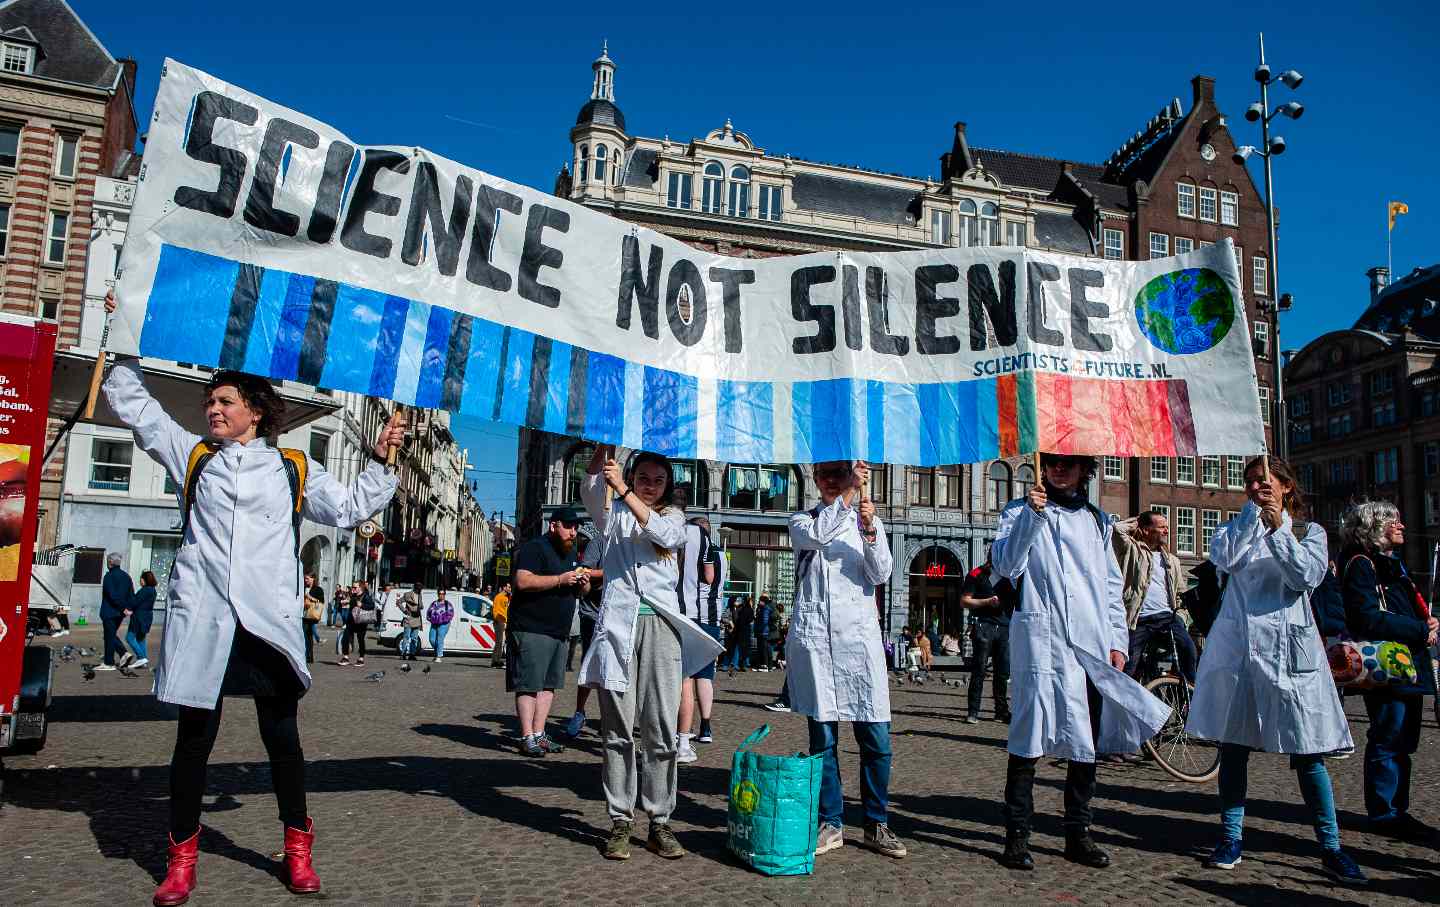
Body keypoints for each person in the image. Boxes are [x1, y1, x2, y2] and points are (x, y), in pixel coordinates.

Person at [101, 348, 402, 904]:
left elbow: (350, 507)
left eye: (224, 401)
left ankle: (298, 850)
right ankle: (181, 860)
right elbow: (141, 411)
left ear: (255, 411)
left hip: (265, 623)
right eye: (210, 401)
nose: (212, 410)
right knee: (193, 742)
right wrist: (122, 345)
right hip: (207, 620)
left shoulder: (291, 467)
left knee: (281, 738)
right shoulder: (193, 456)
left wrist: (381, 459)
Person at [1187, 457, 1367, 885]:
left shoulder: (1310, 532)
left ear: (1286, 486)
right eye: (1249, 482)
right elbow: (1225, 559)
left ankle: (1331, 846)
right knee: (1234, 748)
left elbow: (1305, 576)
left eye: (1264, 481)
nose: (1256, 487)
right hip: (1241, 652)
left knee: (1308, 752)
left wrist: (1279, 529)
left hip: (1290, 653)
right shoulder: (1235, 529)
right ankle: (1230, 837)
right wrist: (1253, 520)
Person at [992, 453, 1169, 872]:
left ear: (1084, 469)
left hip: (1088, 646)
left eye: (1068, 463)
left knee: (1083, 745)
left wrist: (1117, 642)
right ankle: (1016, 837)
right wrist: (1030, 519)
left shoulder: (1098, 521)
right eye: (1052, 461)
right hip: (1041, 643)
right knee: (1027, 740)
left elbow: (1110, 588)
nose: (1058, 469)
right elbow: (1006, 566)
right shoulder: (1017, 511)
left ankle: (1078, 832)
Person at [578, 445, 722, 861]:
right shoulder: (610, 511)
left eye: (658, 480)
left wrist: (625, 489)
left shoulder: (673, 517)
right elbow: (590, 484)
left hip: (661, 625)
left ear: (667, 486)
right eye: (644, 477)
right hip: (619, 625)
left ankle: (660, 820)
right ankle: (621, 820)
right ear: (632, 473)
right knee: (617, 729)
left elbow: (665, 536)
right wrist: (605, 445)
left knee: (659, 727)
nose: (650, 485)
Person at [788, 459, 904, 860]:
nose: (835, 481)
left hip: (859, 642)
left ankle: (876, 822)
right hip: (818, 642)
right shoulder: (802, 520)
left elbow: (881, 572)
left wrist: (870, 531)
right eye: (828, 475)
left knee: (876, 740)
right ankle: (831, 821)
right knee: (823, 739)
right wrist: (851, 493)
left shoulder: (866, 519)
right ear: (817, 481)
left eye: (841, 475)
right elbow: (820, 536)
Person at [1337, 501, 1438, 841]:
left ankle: (1398, 808)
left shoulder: (1392, 566)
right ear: (1374, 527)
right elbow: (1367, 617)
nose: (1402, 526)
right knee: (1388, 736)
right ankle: (1384, 812)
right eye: (1394, 521)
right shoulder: (1362, 565)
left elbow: (1401, 609)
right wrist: (1417, 629)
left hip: (1406, 665)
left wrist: (1426, 622)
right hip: (1387, 667)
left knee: (1404, 739)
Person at [509, 508, 585, 756]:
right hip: (532, 627)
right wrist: (560, 579)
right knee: (529, 684)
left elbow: (577, 592)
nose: (573, 532)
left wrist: (583, 586)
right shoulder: (535, 548)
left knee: (548, 685)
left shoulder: (571, 552)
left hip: (559, 630)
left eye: (576, 527)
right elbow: (523, 581)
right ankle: (526, 735)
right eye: (569, 526)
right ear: (554, 525)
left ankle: (540, 733)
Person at [1113, 511, 1196, 686]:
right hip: (1138, 620)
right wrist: (1137, 522)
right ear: (1146, 530)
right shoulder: (1132, 550)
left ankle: (1188, 696)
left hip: (1167, 617)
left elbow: (1181, 593)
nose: (1167, 531)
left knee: (1189, 649)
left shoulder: (1172, 560)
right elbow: (1118, 530)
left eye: (1167, 527)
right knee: (1128, 666)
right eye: (1161, 527)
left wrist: (1180, 616)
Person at [675, 516, 719, 763]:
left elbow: (707, 577)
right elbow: (712, 578)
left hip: (691, 614)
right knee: (704, 676)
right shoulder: (718, 552)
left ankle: (678, 732)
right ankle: (705, 726)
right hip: (710, 618)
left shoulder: (687, 543)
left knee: (686, 677)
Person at [959, 559, 1014, 722]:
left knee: (1002, 672)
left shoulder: (1011, 573)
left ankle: (1001, 711)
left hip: (1005, 626)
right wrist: (987, 601)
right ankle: (973, 712)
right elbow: (964, 601)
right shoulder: (977, 574)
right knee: (979, 670)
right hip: (984, 625)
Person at [563, 538, 605, 739]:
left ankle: (610, 717)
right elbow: (583, 572)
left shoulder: (630, 541)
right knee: (588, 665)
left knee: (614, 668)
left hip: (619, 613)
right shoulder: (599, 542)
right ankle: (579, 712)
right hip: (593, 614)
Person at [96, 552, 134, 672]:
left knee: (109, 635)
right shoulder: (126, 576)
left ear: (111, 562)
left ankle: (109, 662)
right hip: (120, 613)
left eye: (108, 561)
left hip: (110, 611)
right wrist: (128, 608)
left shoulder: (109, 576)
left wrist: (123, 608)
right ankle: (122, 654)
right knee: (109, 635)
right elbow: (131, 595)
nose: (107, 563)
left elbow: (112, 595)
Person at [126, 570, 159, 669]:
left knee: (130, 637)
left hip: (139, 616)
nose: (140, 581)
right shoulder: (153, 590)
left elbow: (135, 601)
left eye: (141, 579)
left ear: (145, 580)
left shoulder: (145, 590)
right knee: (141, 638)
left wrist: (128, 609)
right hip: (147, 616)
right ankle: (143, 660)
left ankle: (141, 658)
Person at [341, 582, 373, 667]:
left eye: (355, 587)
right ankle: (345, 657)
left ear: (360, 588)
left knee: (360, 639)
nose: (353, 588)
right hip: (351, 621)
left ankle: (361, 658)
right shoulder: (353, 596)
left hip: (361, 622)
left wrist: (362, 604)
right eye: (352, 587)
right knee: (345, 637)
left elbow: (372, 606)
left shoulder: (366, 596)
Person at [723, 596, 754, 673]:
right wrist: (730, 622)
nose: (738, 602)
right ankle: (726, 664)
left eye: (739, 601)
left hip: (738, 631)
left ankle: (735, 664)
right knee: (729, 648)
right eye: (736, 601)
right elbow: (724, 617)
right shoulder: (729, 609)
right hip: (731, 631)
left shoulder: (741, 609)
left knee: (737, 648)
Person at [302, 574, 324, 665]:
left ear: (313, 579)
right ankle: (308, 656)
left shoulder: (318, 589)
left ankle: (308, 656)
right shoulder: (302, 588)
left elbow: (321, 601)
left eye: (307, 578)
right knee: (306, 636)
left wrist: (310, 598)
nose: (306, 580)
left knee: (307, 635)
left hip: (311, 615)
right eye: (305, 578)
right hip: (302, 613)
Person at [427, 589, 454, 662]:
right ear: (437, 594)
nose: (441, 595)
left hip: (444, 624)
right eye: (439, 593)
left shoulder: (448, 604)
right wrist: (430, 619)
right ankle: (437, 653)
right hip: (434, 624)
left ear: (445, 595)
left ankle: (439, 656)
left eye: (443, 594)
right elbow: (428, 613)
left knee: (439, 639)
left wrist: (441, 620)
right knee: (432, 639)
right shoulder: (434, 603)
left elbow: (451, 615)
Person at [398, 583, 424, 661]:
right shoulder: (408, 594)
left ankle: (412, 654)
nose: (419, 590)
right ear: (415, 588)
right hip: (409, 618)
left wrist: (421, 606)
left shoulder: (420, 595)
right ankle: (403, 653)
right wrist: (405, 610)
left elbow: (421, 606)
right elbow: (399, 602)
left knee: (414, 638)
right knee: (406, 637)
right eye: (418, 589)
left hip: (417, 618)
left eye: (420, 589)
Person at [490, 582, 512, 668]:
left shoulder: (507, 597)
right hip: (500, 622)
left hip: (504, 621)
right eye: (508, 587)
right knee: (499, 642)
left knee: (501, 642)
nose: (510, 589)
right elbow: (495, 610)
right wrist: (499, 621)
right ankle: (495, 661)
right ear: (504, 588)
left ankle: (496, 660)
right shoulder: (499, 597)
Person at [753, 594, 773, 671]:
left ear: (763, 601)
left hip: (763, 631)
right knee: (761, 648)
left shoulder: (765, 608)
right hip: (761, 631)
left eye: (760, 600)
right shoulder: (761, 608)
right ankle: (760, 665)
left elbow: (764, 620)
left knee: (764, 648)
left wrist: (758, 621)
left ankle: (765, 665)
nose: (758, 601)